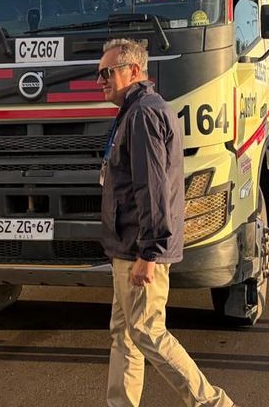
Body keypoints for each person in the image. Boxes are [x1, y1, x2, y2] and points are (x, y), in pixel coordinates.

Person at [97, 38, 234, 407]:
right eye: (99, 73)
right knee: (125, 332)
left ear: (134, 70)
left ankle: (212, 403)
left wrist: (150, 252)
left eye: (107, 72)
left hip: (139, 248)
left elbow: (154, 188)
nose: (100, 81)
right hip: (127, 246)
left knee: (147, 331)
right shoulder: (135, 110)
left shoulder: (142, 113)